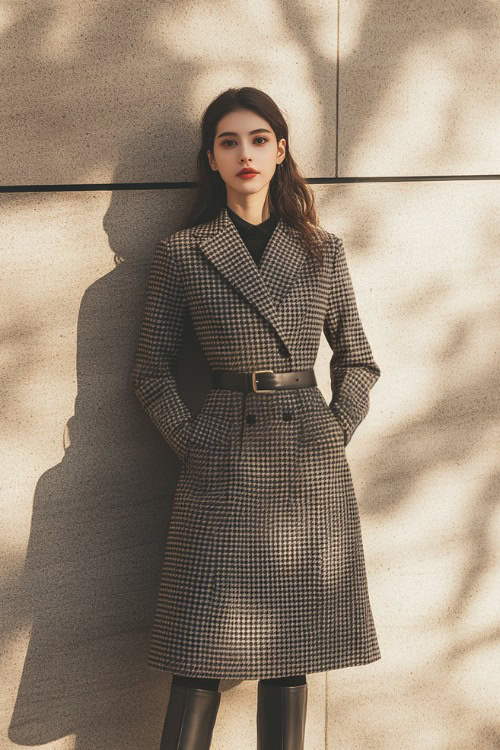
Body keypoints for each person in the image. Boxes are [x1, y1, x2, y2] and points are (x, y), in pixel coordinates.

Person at [131, 86, 381, 750]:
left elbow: (357, 359)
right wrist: (197, 442)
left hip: (308, 461)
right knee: (200, 650)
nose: (246, 153)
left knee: (289, 649)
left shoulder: (322, 250)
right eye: (229, 141)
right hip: (222, 459)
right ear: (210, 159)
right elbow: (151, 372)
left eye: (259, 138)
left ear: (281, 151)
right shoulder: (183, 252)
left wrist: (333, 430)